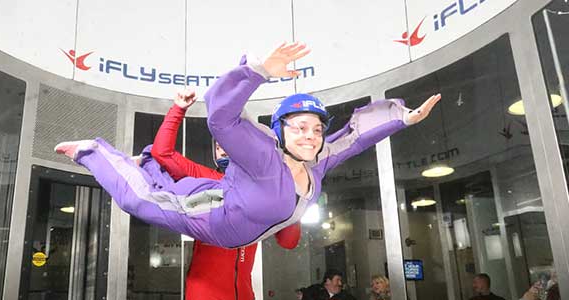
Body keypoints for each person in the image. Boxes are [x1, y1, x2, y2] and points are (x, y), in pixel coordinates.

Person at [54, 41, 441, 248]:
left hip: (225, 198)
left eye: (317, 129)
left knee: (176, 181)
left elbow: (355, 138)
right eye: (300, 127)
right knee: (140, 200)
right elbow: (220, 118)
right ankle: (93, 150)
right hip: (212, 220)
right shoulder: (263, 157)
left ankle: (146, 164)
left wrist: (402, 118)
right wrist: (255, 73)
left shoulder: (317, 161)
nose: (311, 136)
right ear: (280, 132)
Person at [151, 89, 301, 299]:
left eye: (227, 143)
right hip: (204, 293)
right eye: (218, 145)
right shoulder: (206, 178)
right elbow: (161, 152)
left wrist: (291, 188)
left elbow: (288, 241)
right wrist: (178, 109)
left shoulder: (265, 189)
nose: (222, 148)